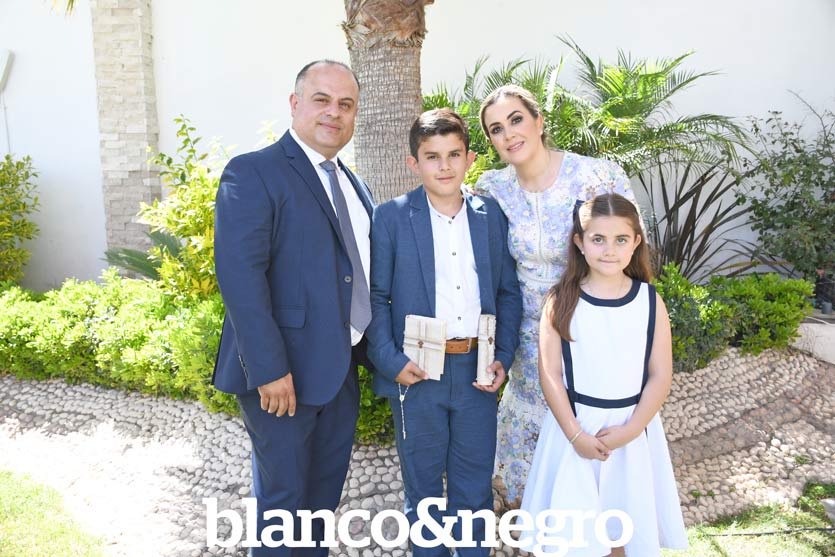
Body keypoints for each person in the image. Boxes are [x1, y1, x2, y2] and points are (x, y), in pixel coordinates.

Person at [212, 60, 374, 556]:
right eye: (322, 100)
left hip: (339, 373)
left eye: (346, 104)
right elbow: (240, 277)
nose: (334, 113)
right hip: (282, 379)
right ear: (295, 103)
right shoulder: (254, 171)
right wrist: (268, 369)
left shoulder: (355, 185)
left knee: (321, 507)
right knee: (282, 508)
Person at [366, 108, 523, 556]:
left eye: (454, 154)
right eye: (432, 156)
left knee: (473, 488)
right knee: (423, 492)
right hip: (417, 373)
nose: (445, 166)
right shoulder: (392, 218)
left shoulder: (490, 216)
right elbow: (376, 297)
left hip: (476, 370)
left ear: (470, 158)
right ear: (414, 163)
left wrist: (503, 356)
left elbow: (507, 293)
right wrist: (391, 361)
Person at [475, 85, 639, 505]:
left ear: (539, 120)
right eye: (496, 129)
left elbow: (630, 250)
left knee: (591, 429)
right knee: (534, 452)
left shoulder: (595, 176)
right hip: (528, 337)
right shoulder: (493, 189)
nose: (509, 133)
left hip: (590, 329)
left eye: (516, 119)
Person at [521, 193, 687, 556]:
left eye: (620, 239)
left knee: (622, 533)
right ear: (579, 243)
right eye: (598, 239)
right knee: (573, 536)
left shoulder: (649, 301)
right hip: (574, 431)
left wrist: (632, 429)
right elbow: (550, 374)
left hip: (631, 432)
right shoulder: (561, 301)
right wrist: (575, 434)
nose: (609, 250)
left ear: (636, 243)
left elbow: (660, 375)